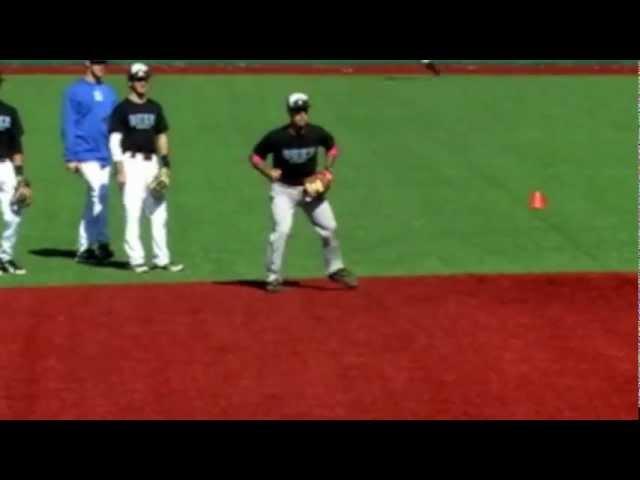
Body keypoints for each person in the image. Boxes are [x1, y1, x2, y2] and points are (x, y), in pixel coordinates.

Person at [250, 92, 358, 293]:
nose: (301, 115)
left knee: (330, 227)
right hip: (283, 190)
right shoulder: (277, 137)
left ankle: (335, 268)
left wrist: (327, 169)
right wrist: (267, 171)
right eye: (297, 112)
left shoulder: (316, 133)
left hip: (310, 190)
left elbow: (332, 148)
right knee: (282, 230)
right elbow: (255, 157)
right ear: (290, 113)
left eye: (304, 111)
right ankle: (273, 277)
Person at [108, 63, 183, 274]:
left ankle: (162, 259)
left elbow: (161, 135)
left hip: (152, 164)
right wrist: (120, 168)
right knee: (133, 212)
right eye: (138, 79)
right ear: (130, 82)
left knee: (159, 212)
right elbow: (114, 140)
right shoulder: (121, 109)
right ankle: (136, 259)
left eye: (145, 79)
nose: (142, 83)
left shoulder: (155, 107)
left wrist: (165, 164)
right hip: (130, 163)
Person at [61, 60, 118, 264]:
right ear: (87, 63)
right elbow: (68, 124)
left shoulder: (110, 92)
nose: (102, 66)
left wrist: (118, 156)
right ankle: (101, 242)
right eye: (97, 62)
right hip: (84, 153)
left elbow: (115, 126)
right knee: (99, 193)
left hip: (105, 154)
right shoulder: (74, 91)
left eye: (104, 63)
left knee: (96, 199)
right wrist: (70, 156)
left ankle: (85, 248)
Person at [0, 74, 30, 275]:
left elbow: (16, 147)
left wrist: (20, 177)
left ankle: (5, 257)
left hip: (6, 167)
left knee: (14, 215)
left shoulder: (9, 112)